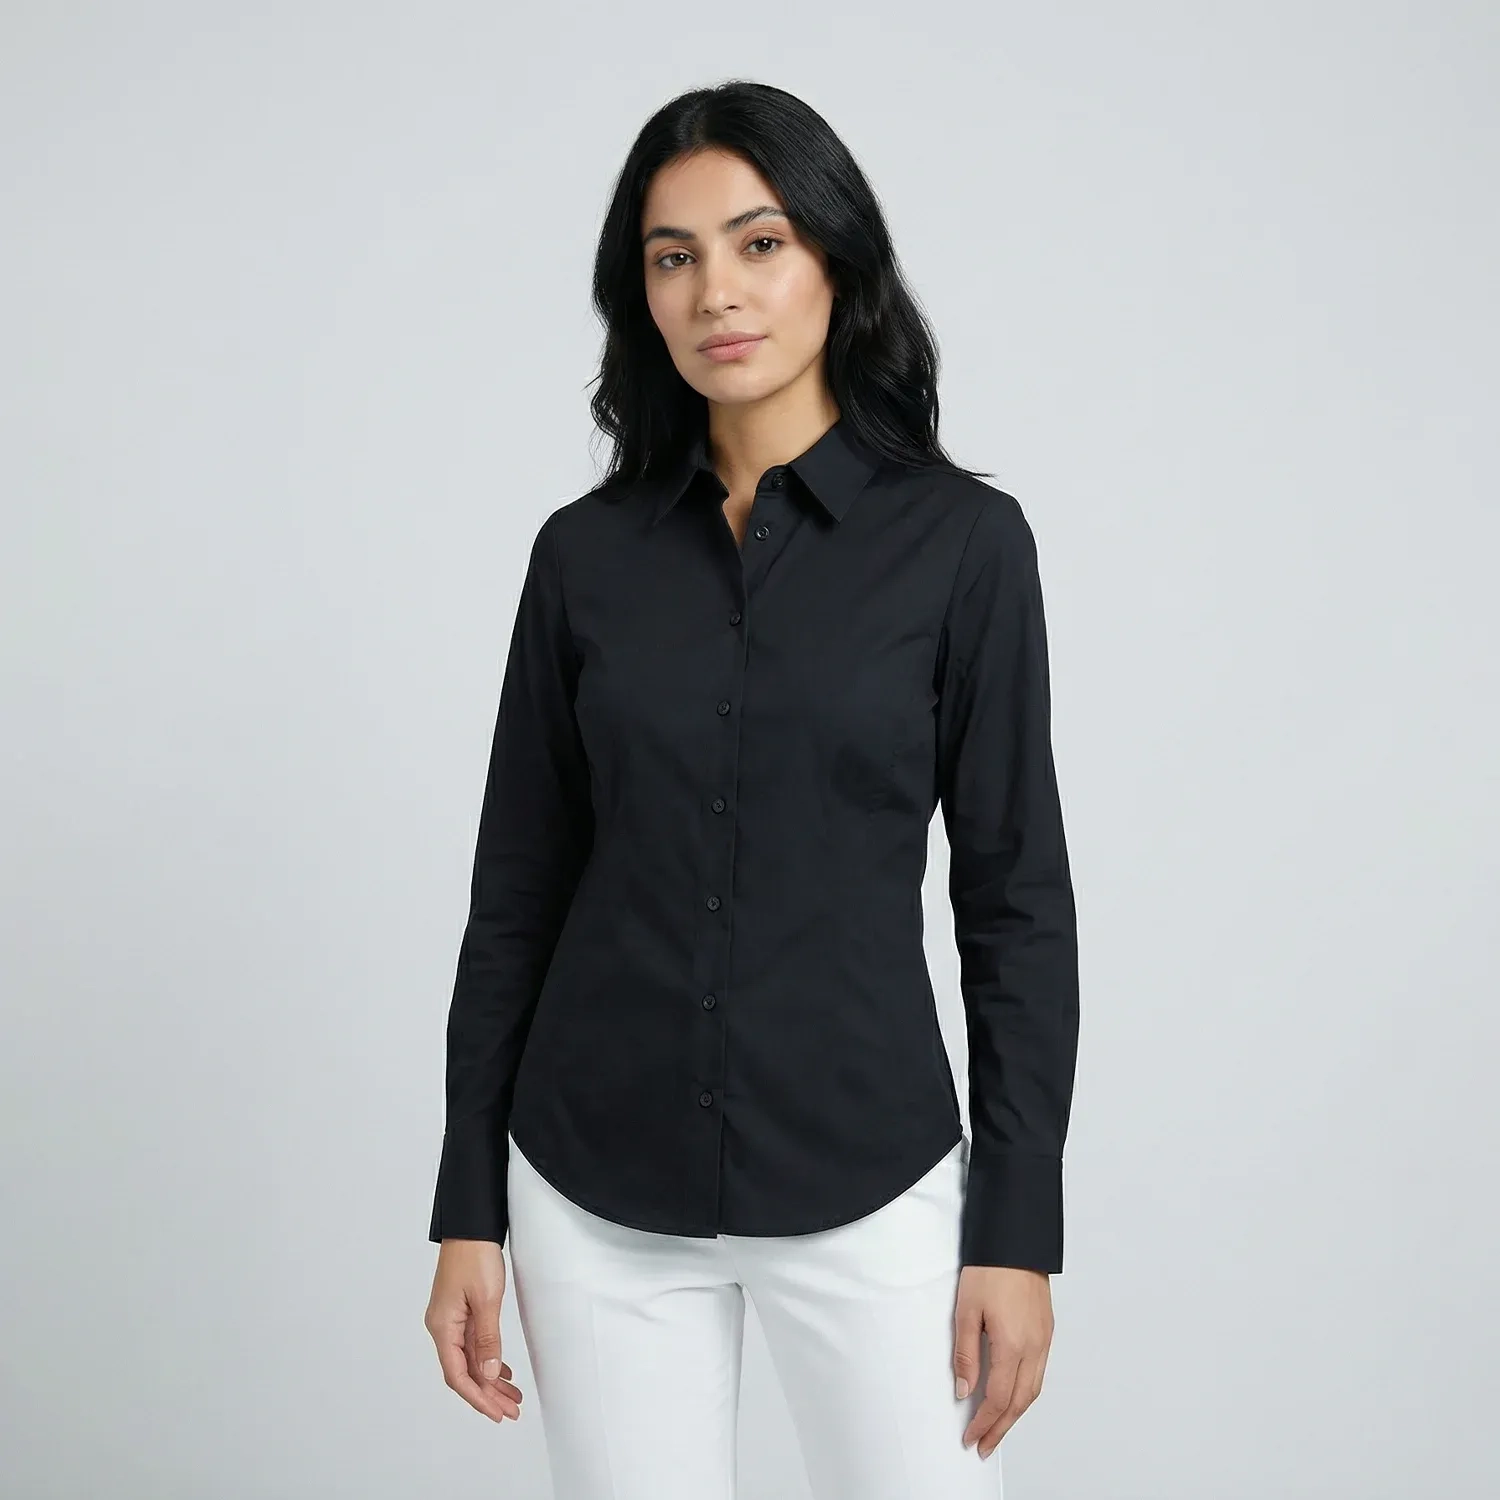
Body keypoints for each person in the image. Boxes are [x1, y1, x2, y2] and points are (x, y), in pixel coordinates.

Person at [422, 79, 1080, 1499]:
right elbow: (517, 894)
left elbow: (1016, 904)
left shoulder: (965, 547)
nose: (716, 290)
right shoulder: (583, 557)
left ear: (836, 260)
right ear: (642, 295)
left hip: (869, 1169)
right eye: (675, 256)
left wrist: (1018, 1228)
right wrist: (469, 1203)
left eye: (759, 242)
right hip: (593, 1184)